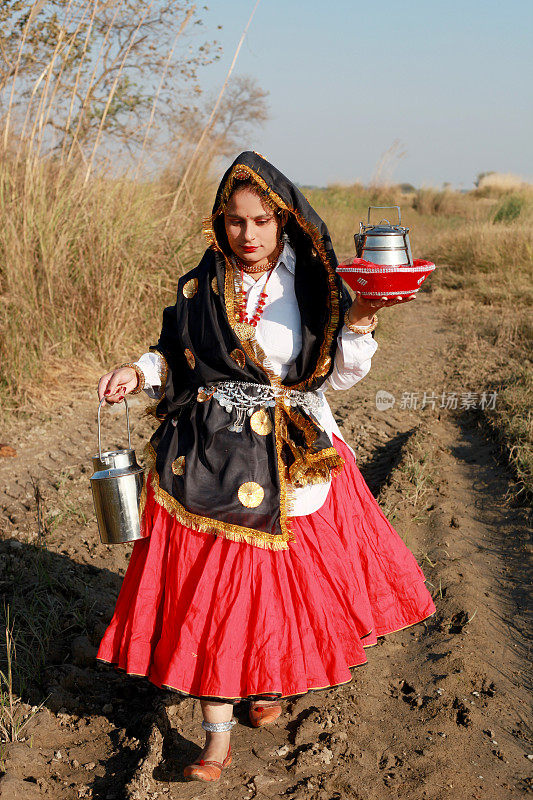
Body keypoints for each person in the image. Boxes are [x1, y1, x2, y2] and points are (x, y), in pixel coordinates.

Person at [96, 151, 436, 782]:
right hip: (211, 457)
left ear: (283, 222)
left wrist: (359, 322)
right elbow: (177, 352)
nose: (246, 235)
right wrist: (137, 372)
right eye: (233, 221)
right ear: (218, 223)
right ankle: (215, 738)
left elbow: (333, 373)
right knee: (216, 591)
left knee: (276, 590)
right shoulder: (203, 284)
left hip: (290, 454)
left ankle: (269, 678)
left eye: (259, 222)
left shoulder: (311, 283)